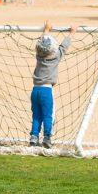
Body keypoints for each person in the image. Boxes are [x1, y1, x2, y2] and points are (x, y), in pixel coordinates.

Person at [30, 20, 76, 148]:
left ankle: (34, 137)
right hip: (46, 91)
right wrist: (72, 33)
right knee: (48, 115)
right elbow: (64, 46)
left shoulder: (39, 56)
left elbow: (42, 43)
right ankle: (47, 138)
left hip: (35, 91)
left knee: (36, 116)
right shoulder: (56, 57)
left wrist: (46, 30)